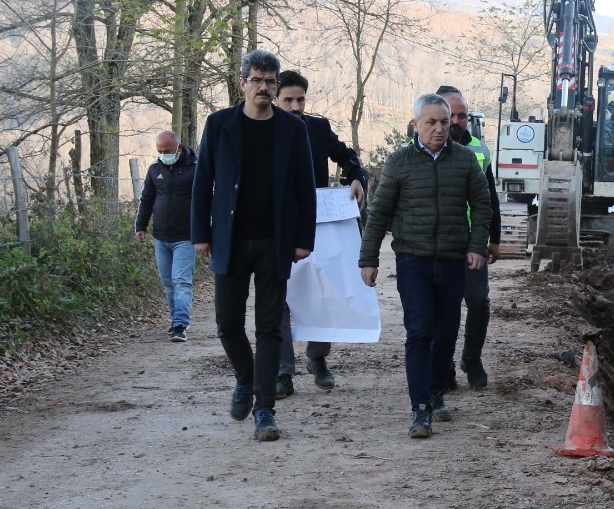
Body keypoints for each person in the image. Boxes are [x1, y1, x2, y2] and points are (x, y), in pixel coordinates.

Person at [190, 50, 317, 442]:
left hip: (274, 241)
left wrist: (303, 239)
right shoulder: (219, 124)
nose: (264, 87)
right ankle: (245, 378)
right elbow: (202, 182)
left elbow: (303, 188)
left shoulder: (293, 130)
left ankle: (264, 409)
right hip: (229, 240)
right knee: (227, 324)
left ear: (276, 85)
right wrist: (201, 233)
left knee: (269, 329)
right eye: (257, 79)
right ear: (242, 82)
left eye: (270, 80)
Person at [359, 94, 492, 438]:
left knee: (446, 333)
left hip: (451, 260)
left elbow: (482, 206)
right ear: (415, 124)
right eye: (431, 122)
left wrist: (477, 246)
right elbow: (379, 213)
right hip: (412, 259)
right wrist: (368, 259)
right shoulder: (399, 162)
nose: (438, 129)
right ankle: (420, 408)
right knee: (419, 332)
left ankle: (435, 392)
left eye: (444, 123)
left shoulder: (465, 162)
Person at [273, 69, 369, 393]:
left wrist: (356, 177)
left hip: (318, 225)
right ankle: (283, 372)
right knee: (278, 297)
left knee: (318, 290)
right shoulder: (261, 131)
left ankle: (318, 357)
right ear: (274, 97)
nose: (296, 105)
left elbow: (348, 157)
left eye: (300, 99)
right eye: (289, 99)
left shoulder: (318, 128)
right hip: (274, 226)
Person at [434, 86, 502, 390]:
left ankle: (471, 359)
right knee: (440, 309)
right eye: (453, 115)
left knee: (477, 302)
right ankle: (443, 367)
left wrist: (494, 238)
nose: (458, 121)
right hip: (436, 243)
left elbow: (490, 198)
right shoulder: (417, 148)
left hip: (472, 242)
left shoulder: (479, 150)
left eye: (462, 115)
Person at [135, 129, 198, 342]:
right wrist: (140, 226)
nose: (163, 154)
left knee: (181, 280)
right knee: (168, 281)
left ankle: (181, 323)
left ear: (178, 148)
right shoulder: (155, 170)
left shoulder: (195, 169)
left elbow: (206, 200)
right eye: (160, 151)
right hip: (161, 237)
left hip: (186, 237)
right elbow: (146, 199)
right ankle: (174, 321)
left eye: (167, 150)